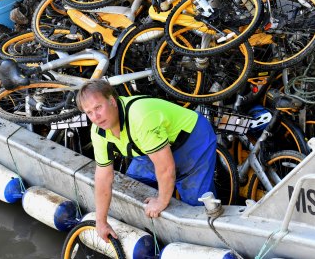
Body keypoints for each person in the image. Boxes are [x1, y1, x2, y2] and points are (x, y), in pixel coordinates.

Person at [76, 79, 217, 242]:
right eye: (89, 112)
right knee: (133, 186)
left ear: (112, 101)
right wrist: (101, 222)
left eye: (98, 107)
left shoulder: (139, 117)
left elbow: (166, 168)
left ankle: (208, 241)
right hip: (151, 149)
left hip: (191, 141)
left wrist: (162, 201)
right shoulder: (99, 131)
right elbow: (103, 177)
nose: (96, 117)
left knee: (196, 207)